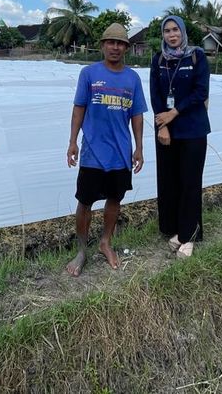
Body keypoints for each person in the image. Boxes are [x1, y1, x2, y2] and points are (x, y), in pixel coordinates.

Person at [65, 22, 146, 277]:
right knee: (85, 202)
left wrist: (139, 148)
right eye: (110, 42)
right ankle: (81, 251)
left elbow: (137, 115)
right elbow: (79, 108)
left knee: (115, 200)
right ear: (102, 45)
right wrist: (72, 141)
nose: (115, 47)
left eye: (120, 43)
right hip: (92, 152)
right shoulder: (89, 74)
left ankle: (105, 243)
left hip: (121, 153)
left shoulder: (132, 78)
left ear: (126, 48)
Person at [150, 15, 210, 258]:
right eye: (167, 31)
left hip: (192, 129)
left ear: (183, 32)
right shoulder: (158, 60)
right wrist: (161, 126)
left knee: (190, 182)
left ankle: (189, 235)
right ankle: (172, 229)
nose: (172, 35)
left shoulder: (196, 57)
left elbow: (201, 92)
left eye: (175, 30)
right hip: (166, 130)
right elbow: (155, 95)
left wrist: (174, 113)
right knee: (169, 180)